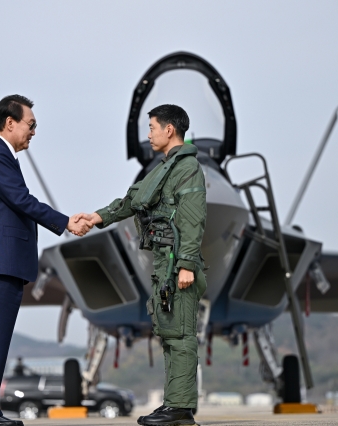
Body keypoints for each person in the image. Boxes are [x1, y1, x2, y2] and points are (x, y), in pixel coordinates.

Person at [0, 94, 92, 426]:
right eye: (30, 125)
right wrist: (64, 222)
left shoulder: (0, 157)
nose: (33, 132)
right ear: (10, 123)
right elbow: (21, 200)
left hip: (1, 265)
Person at [77, 104, 206, 426]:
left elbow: (193, 220)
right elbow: (133, 200)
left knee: (181, 335)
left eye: (151, 127)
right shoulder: (167, 167)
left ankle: (180, 409)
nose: (148, 134)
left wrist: (187, 264)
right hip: (165, 262)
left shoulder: (187, 168)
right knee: (169, 332)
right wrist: (97, 218)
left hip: (177, 263)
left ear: (169, 130)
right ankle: (174, 404)